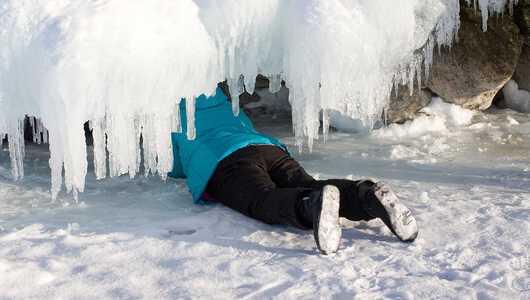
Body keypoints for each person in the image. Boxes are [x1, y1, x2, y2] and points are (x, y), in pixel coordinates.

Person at [169, 86, 418, 254]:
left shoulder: (170, 113)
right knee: (308, 182)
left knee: (259, 198)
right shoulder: (221, 101)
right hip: (267, 147)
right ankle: (366, 195)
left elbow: (176, 165)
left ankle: (310, 206)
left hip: (224, 161)